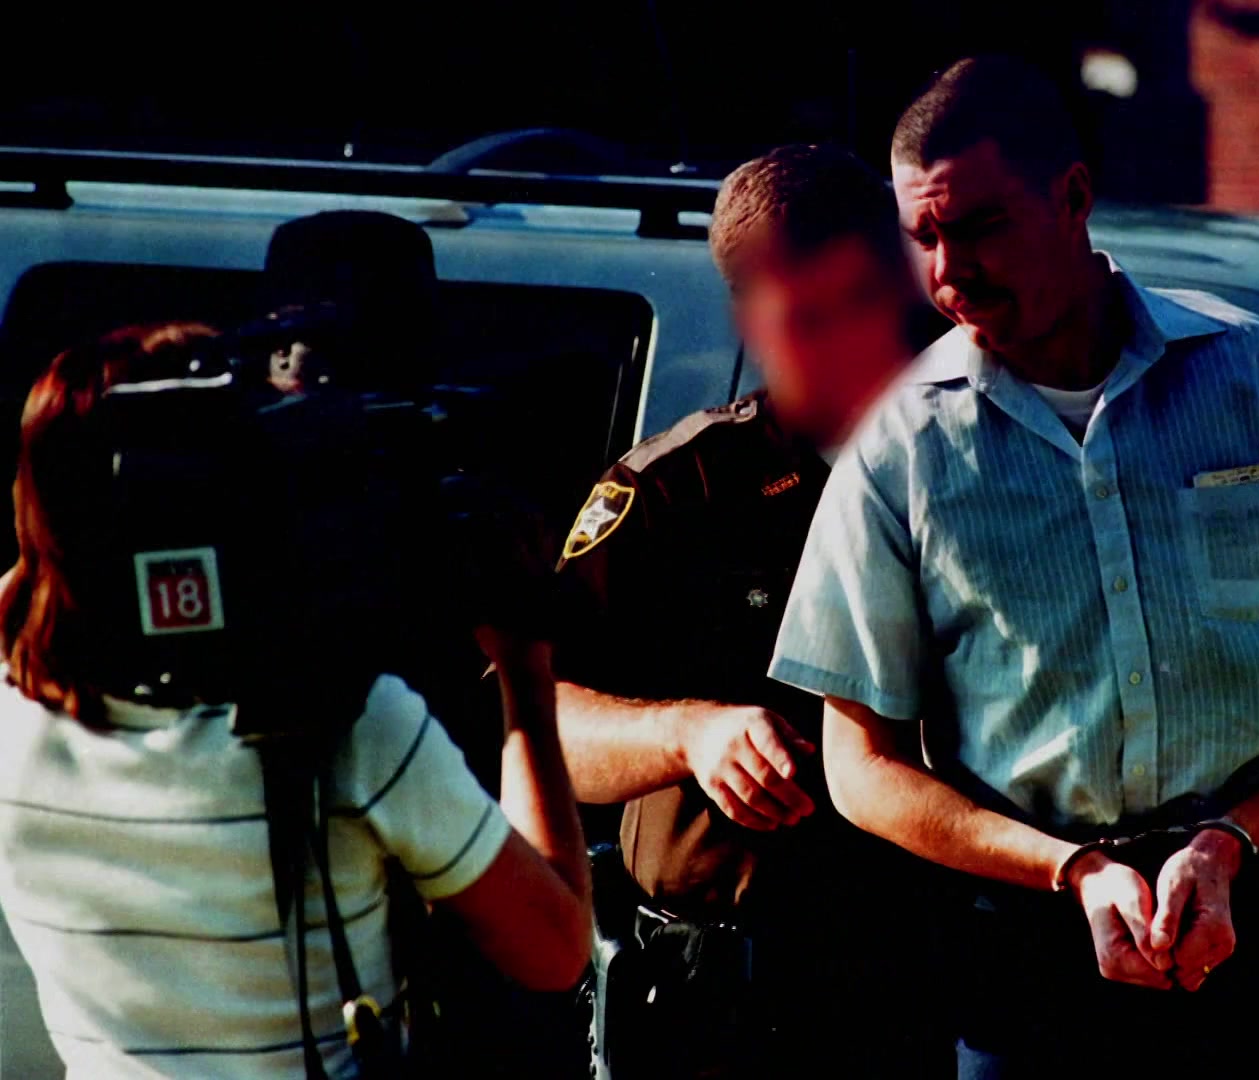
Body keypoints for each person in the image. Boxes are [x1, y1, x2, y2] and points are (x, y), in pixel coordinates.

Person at [768, 56, 1259, 1078]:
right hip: (1030, 966)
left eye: (982, 226)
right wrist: (1075, 871)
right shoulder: (900, 449)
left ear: (1074, 197)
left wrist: (1230, 844)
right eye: (923, 238)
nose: (951, 272)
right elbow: (859, 769)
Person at [0, 323, 591, 1078]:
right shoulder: (354, 726)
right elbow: (555, 952)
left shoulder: (13, 717)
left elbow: (39, 579)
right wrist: (525, 671)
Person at [552, 143, 946, 1075]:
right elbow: (532, 721)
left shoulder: (984, 458)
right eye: (805, 318)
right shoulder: (679, 490)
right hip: (717, 1004)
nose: (847, 345)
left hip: (931, 978)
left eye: (865, 303)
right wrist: (687, 734)